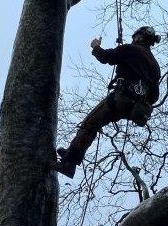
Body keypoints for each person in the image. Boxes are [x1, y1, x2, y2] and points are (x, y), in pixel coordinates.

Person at [56, 26, 162, 178]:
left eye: (135, 38)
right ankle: (72, 154)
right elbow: (154, 96)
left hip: (121, 99)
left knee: (90, 124)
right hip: (133, 108)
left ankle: (69, 163)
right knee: (96, 123)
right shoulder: (155, 66)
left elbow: (106, 57)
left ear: (139, 37)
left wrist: (95, 46)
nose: (133, 40)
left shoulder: (131, 49)